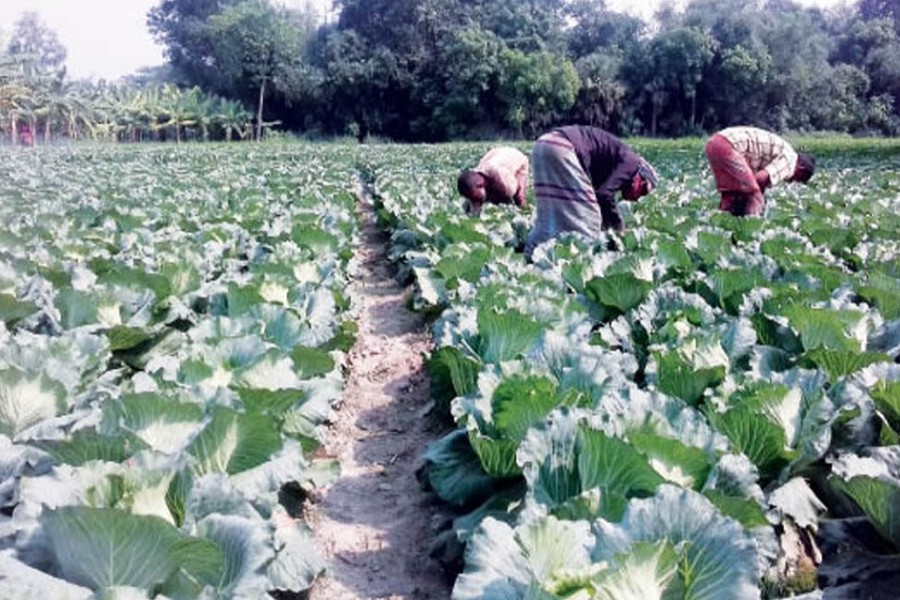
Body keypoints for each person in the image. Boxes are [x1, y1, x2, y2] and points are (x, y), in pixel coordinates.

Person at [524, 125, 658, 260]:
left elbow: (599, 194)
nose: (638, 198)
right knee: (588, 217)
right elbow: (604, 194)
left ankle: (533, 253)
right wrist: (618, 228)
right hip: (563, 148)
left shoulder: (613, 162)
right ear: (641, 179)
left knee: (548, 212)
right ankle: (583, 261)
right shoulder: (632, 162)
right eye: (643, 191)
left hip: (543, 145)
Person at [705, 126, 815, 217]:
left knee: (730, 196)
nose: (790, 181)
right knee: (754, 194)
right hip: (728, 146)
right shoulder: (790, 161)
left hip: (715, 143)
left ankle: (718, 226)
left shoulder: (785, 149)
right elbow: (760, 178)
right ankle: (753, 234)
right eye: (797, 179)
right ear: (800, 169)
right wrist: (760, 200)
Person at [457, 146, 529, 216]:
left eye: (475, 199)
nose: (474, 201)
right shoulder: (476, 175)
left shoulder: (503, 181)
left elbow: (516, 189)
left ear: (480, 185)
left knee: (519, 198)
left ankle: (526, 214)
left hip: (518, 160)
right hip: (496, 154)